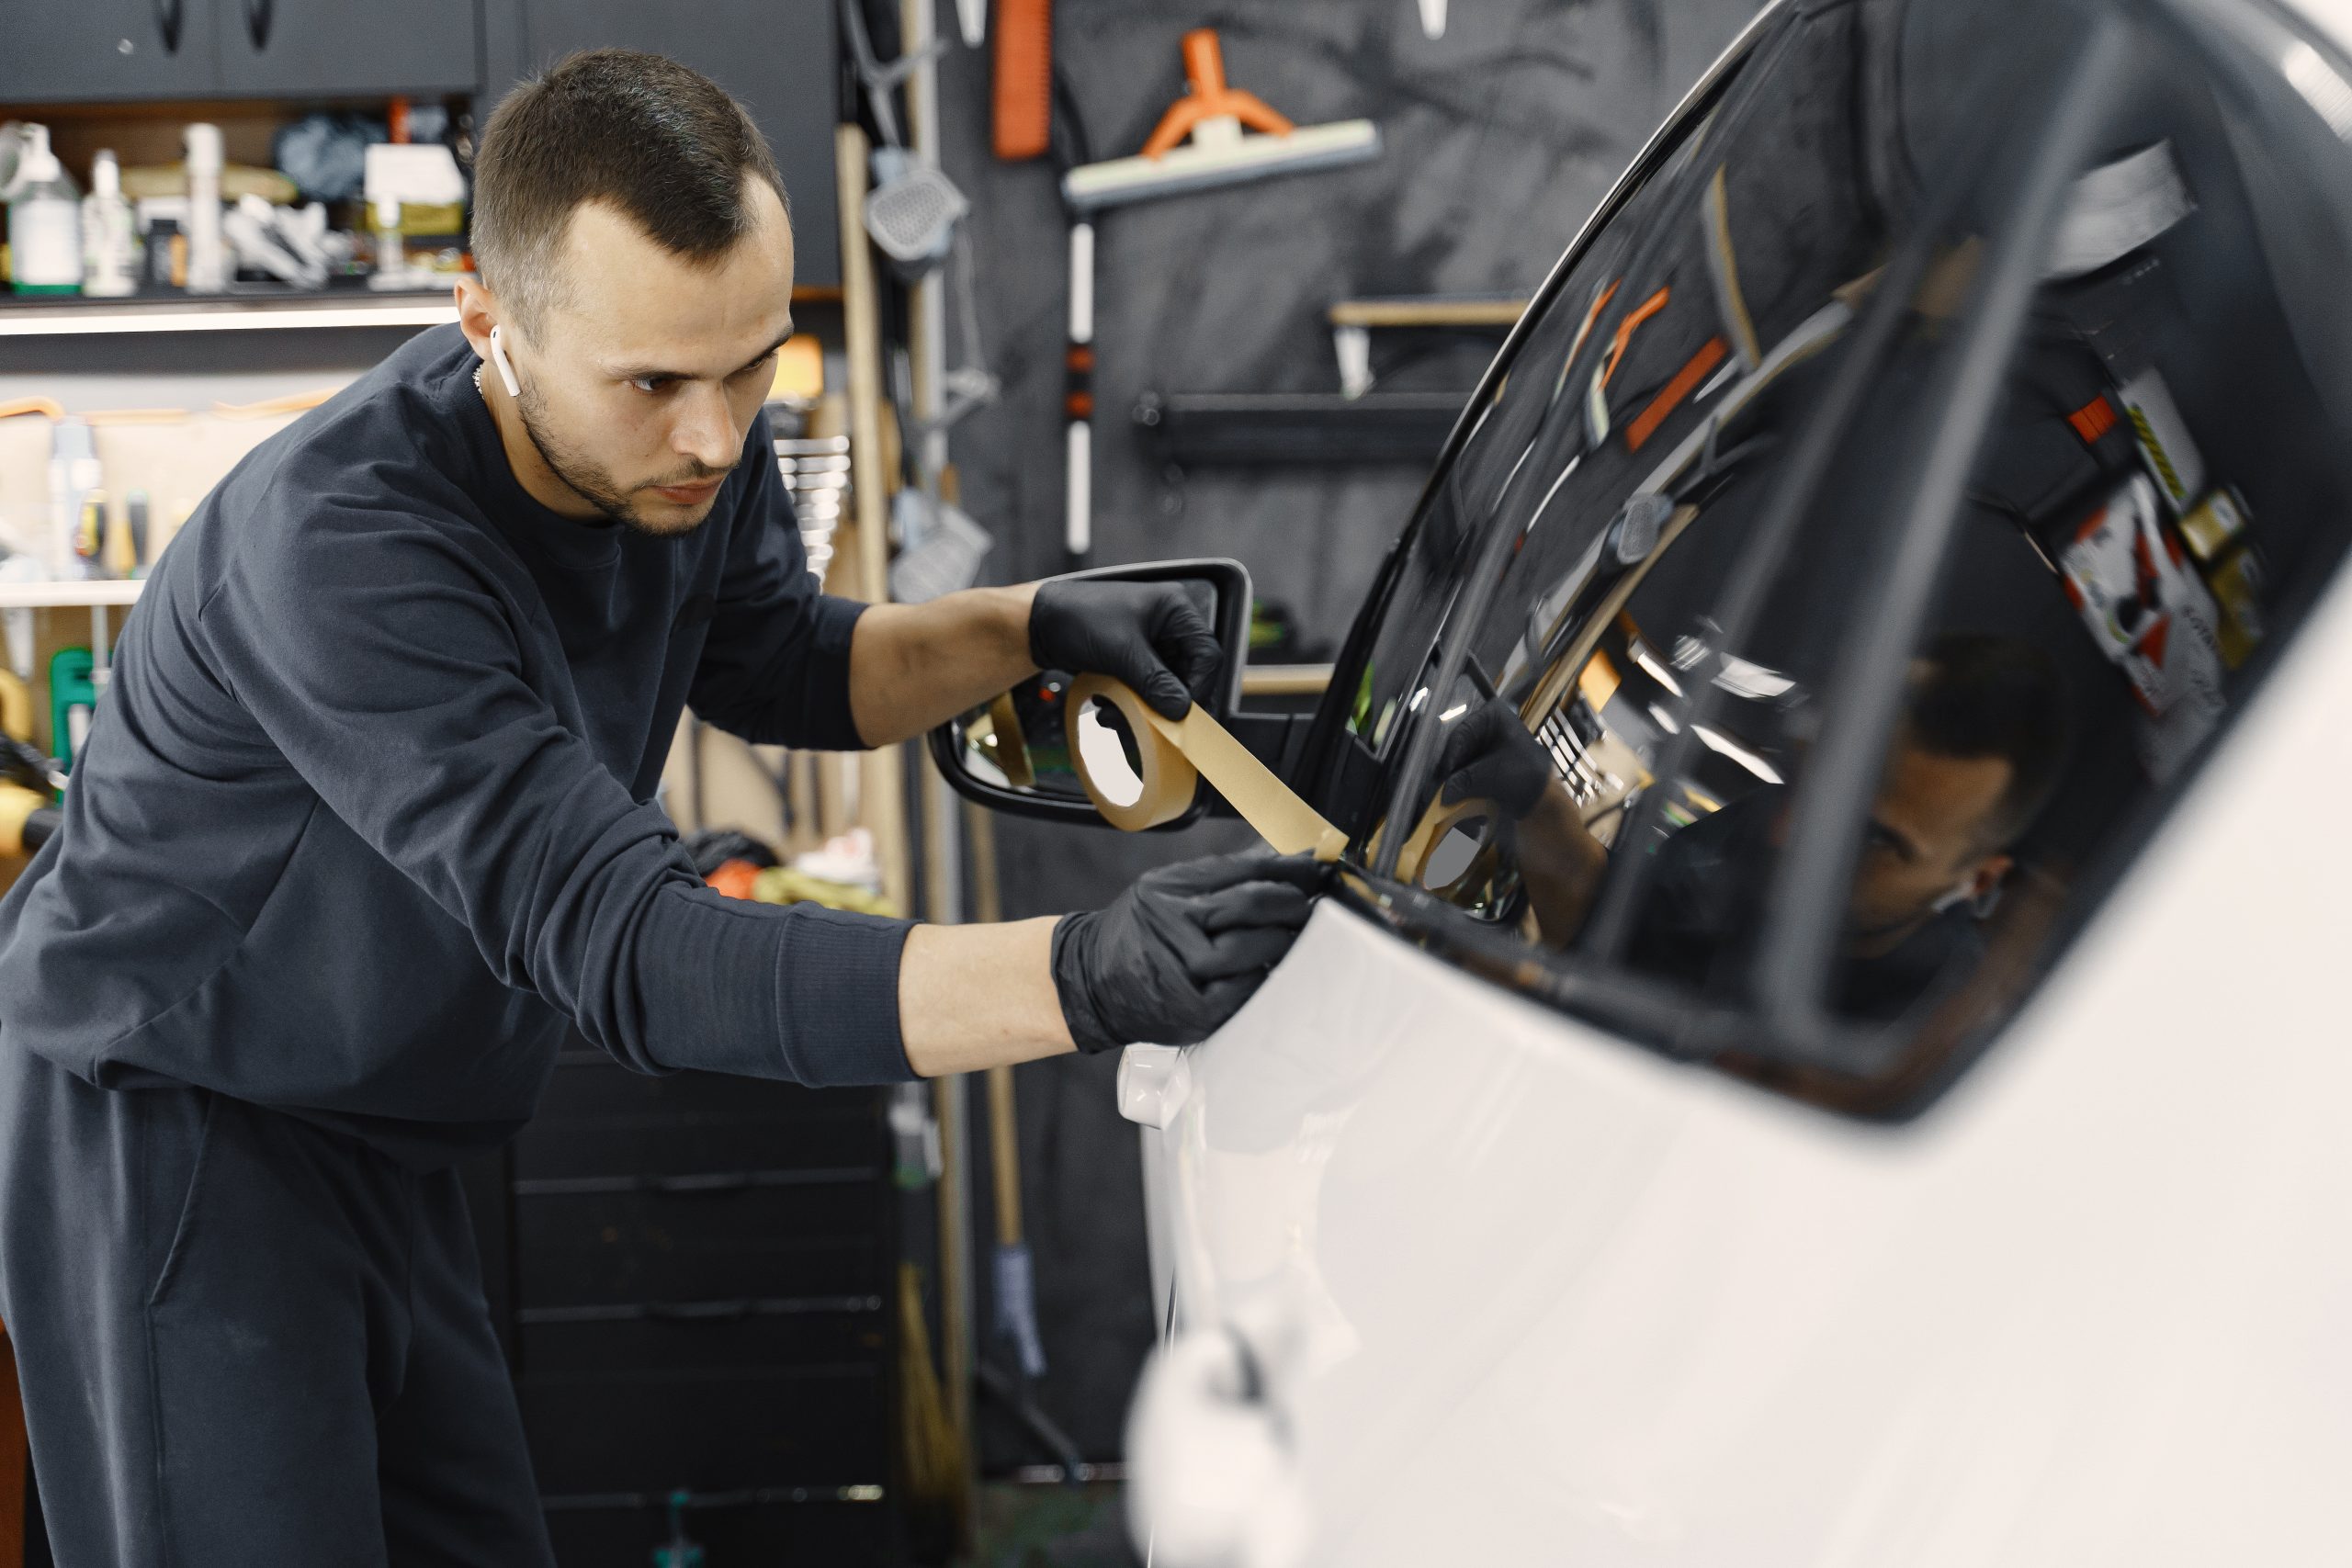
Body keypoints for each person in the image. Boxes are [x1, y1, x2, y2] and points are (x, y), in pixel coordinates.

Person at [0, 51, 1317, 1566]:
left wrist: (1023, 625)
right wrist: (1076, 978)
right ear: (490, 326)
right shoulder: (345, 547)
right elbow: (628, 946)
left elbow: (781, 663)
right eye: (656, 385)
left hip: (392, 1117)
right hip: (177, 1113)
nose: (714, 434)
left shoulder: (690, 441)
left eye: (751, 365)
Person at [1433, 634, 2071, 1019]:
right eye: (1814, 783)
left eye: (1872, 839)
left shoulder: (1926, 1049)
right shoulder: (1765, 826)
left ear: (1977, 880)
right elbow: (1617, 936)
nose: (1789, 835)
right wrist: (1540, 803)